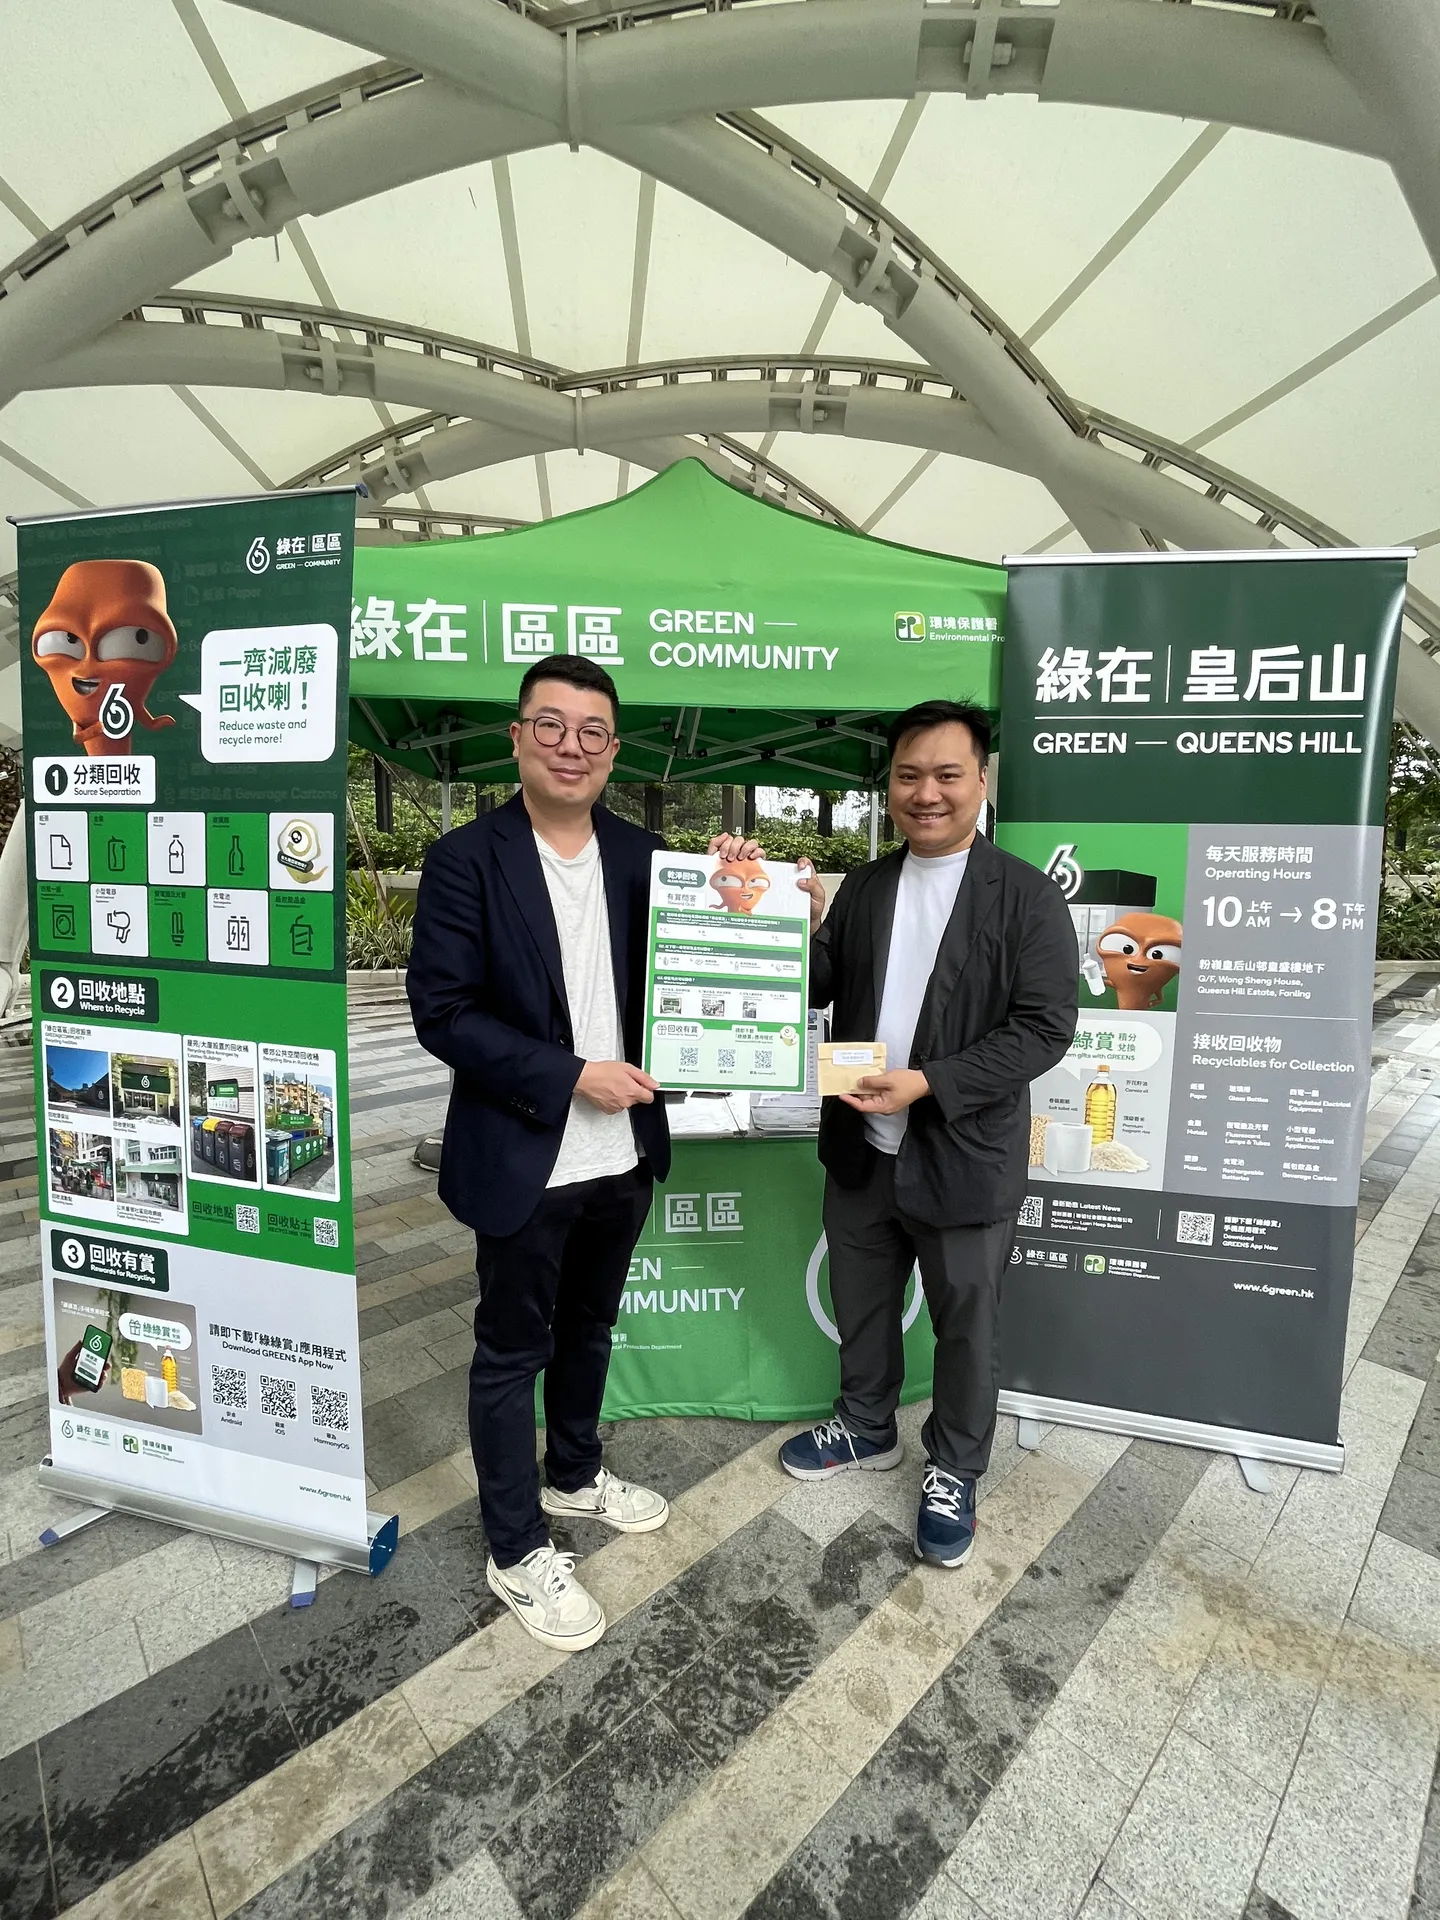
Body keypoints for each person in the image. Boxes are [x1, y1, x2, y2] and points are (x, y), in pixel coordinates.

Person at [408, 654, 757, 1652]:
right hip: (527, 1155)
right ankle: (516, 1548)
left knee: (591, 1329)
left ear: (614, 749)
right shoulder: (466, 859)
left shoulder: (650, 858)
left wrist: (743, 893)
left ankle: (573, 1473)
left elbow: (718, 962)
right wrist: (569, 1075)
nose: (572, 746)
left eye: (592, 730)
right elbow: (443, 1013)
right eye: (551, 725)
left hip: (625, 1153)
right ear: (517, 736)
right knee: (509, 1352)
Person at [780, 699, 1078, 1569]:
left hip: (963, 1158)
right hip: (862, 1149)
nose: (927, 792)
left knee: (967, 1330)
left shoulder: (1025, 896)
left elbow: (1044, 1029)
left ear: (981, 781)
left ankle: (954, 1469)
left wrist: (930, 1083)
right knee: (862, 1305)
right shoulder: (869, 886)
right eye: (909, 775)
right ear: (890, 785)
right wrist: (795, 926)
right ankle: (866, 1425)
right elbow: (823, 982)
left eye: (948, 774)